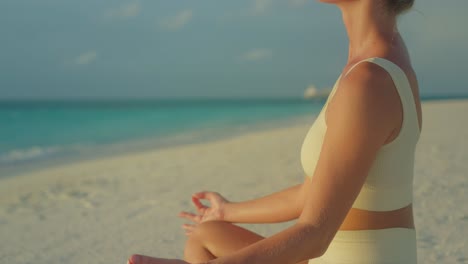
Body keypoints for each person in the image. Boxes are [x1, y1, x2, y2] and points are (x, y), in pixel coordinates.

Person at [127, 0, 422, 263]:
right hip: (340, 252)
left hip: (355, 256)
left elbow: (315, 235)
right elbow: (311, 193)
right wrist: (228, 212)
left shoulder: (368, 82)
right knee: (206, 234)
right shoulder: (377, 57)